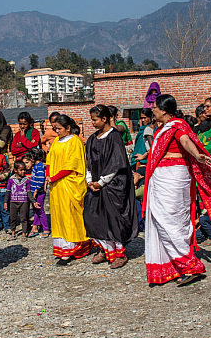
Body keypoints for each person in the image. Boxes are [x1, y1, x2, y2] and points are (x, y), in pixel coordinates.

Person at [143, 94, 211, 286]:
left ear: (164, 110)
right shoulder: (162, 128)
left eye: (155, 107)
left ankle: (189, 265)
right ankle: (173, 266)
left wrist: (197, 155)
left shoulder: (177, 126)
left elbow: (185, 141)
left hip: (172, 178)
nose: (152, 110)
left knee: (168, 221)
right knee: (168, 221)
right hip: (164, 178)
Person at [83, 105, 138, 269]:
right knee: (93, 216)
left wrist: (101, 182)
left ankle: (119, 254)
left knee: (114, 219)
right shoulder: (92, 139)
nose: (92, 123)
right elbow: (88, 161)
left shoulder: (114, 137)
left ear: (104, 118)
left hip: (112, 185)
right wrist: (89, 180)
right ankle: (104, 249)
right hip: (94, 185)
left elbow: (116, 163)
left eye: (95, 119)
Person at [47, 114, 93, 263]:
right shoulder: (56, 141)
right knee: (58, 216)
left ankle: (71, 248)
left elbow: (72, 165)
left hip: (69, 185)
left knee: (70, 216)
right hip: (56, 186)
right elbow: (49, 160)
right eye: (55, 129)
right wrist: (48, 175)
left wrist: (54, 177)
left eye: (59, 129)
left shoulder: (75, 141)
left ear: (68, 128)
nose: (56, 131)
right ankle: (61, 247)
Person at [27, 149, 49, 237]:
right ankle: (35, 227)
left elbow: (41, 180)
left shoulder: (39, 167)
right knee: (36, 210)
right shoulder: (37, 166)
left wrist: (35, 191)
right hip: (36, 192)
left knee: (40, 210)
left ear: (32, 157)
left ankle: (46, 229)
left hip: (39, 193)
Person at [7, 161, 32, 237]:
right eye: (21, 170)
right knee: (13, 218)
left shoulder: (26, 180)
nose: (23, 171)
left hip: (24, 202)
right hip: (13, 202)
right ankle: (13, 232)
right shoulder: (11, 180)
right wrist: (5, 202)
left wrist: (33, 201)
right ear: (15, 170)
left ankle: (24, 233)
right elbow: (8, 191)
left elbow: (28, 192)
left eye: (24, 170)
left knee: (24, 218)